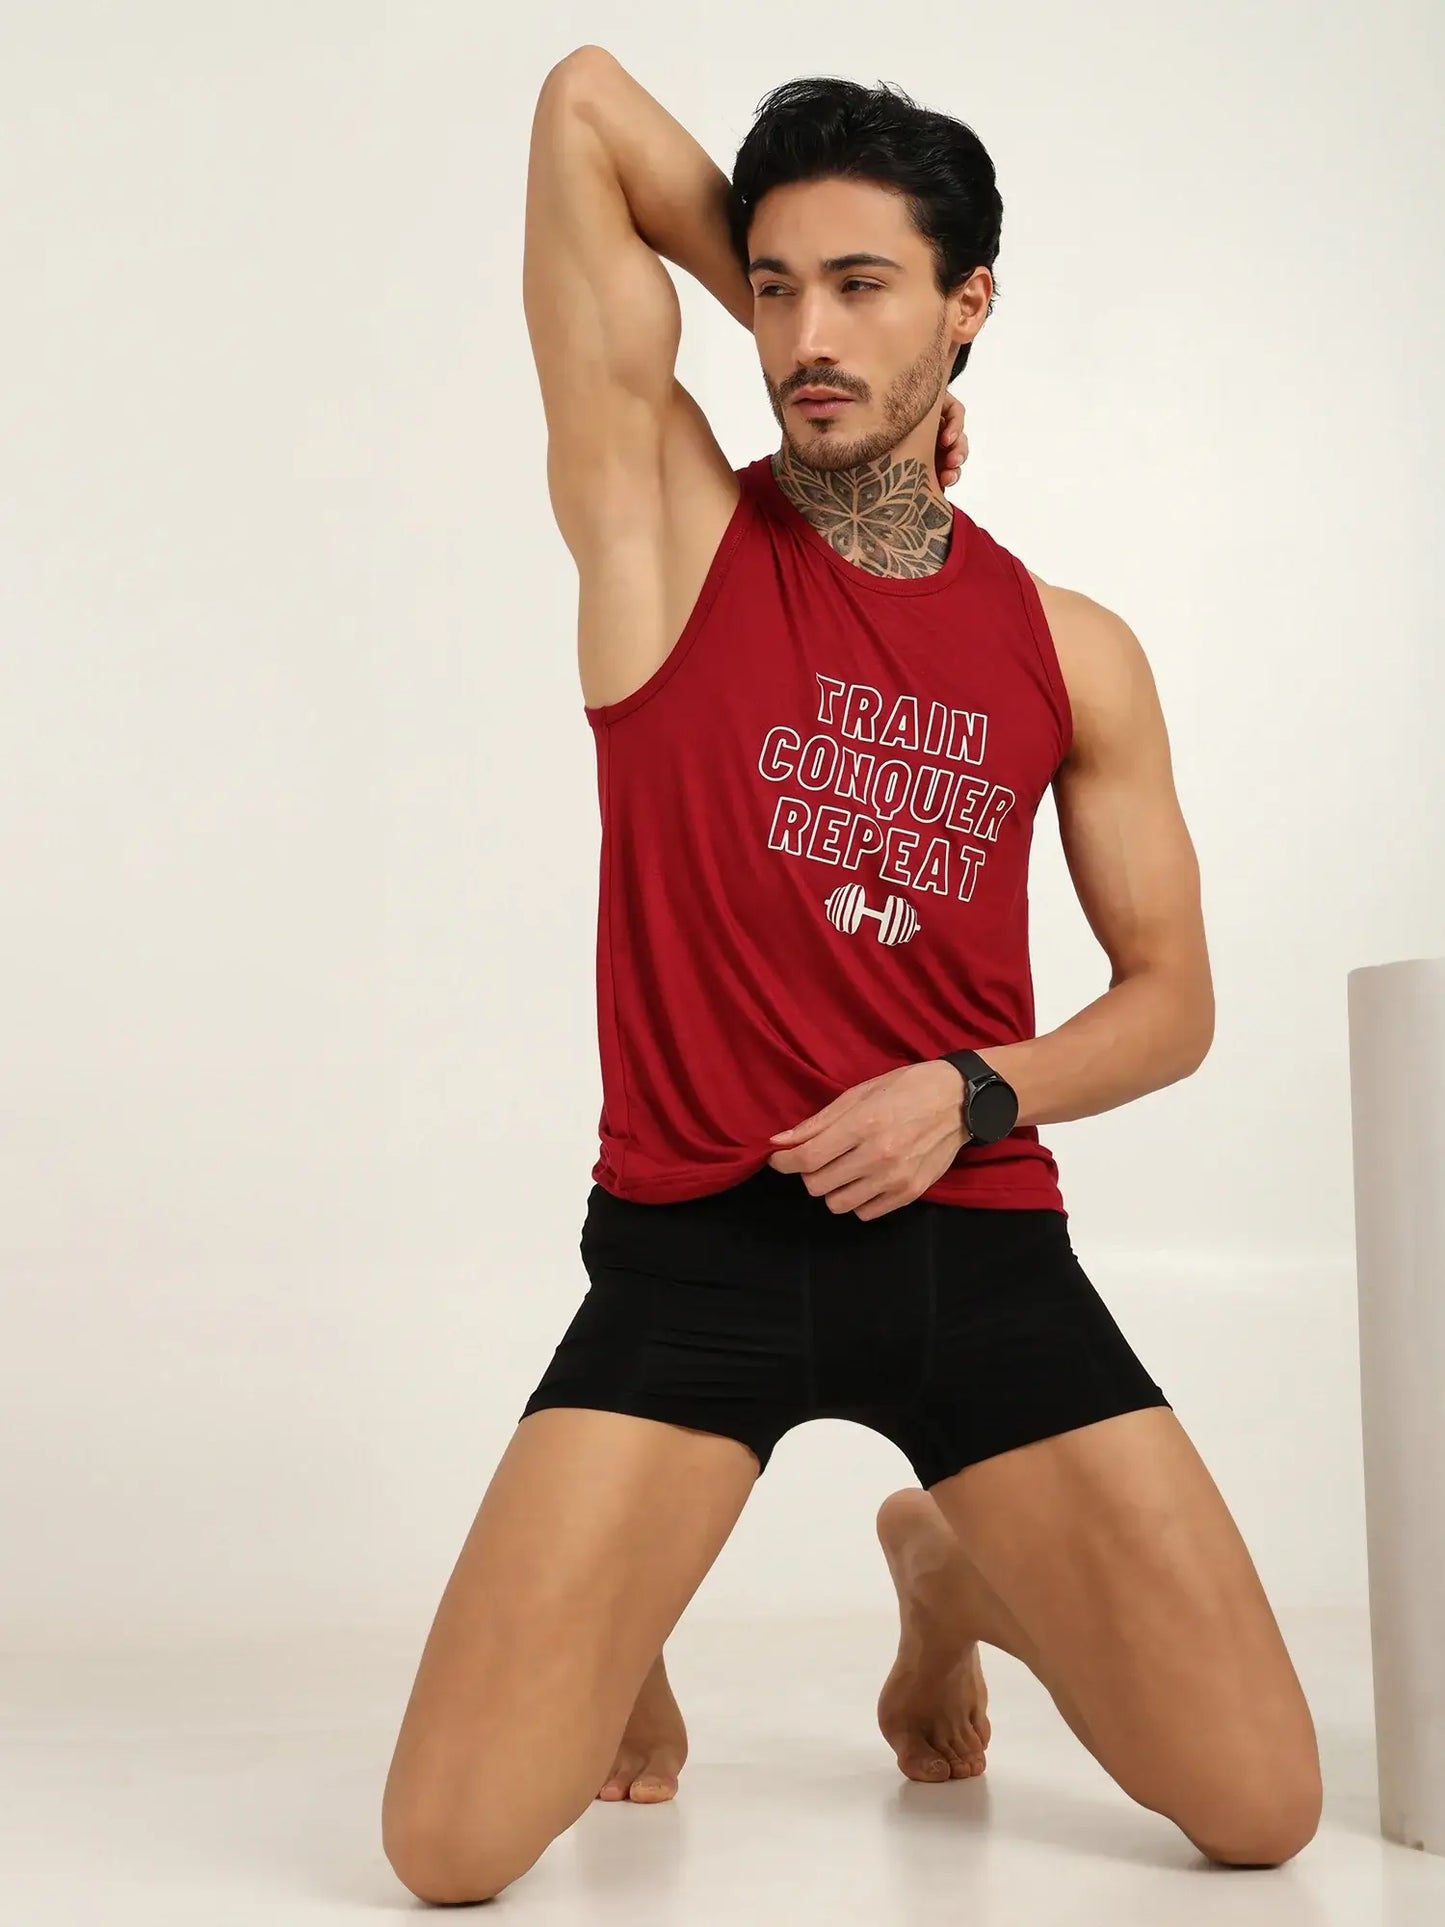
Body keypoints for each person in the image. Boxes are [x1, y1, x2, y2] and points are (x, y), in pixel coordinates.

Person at [380, 48, 1323, 1905]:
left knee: (1260, 1810)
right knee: (450, 1850)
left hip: (972, 1241)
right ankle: (625, 1612)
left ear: (972, 309)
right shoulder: (669, 535)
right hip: (697, 1251)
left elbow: (1170, 1000)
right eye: (771, 288)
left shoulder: (1071, 650)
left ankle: (951, 1561)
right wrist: (810, 273)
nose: (804, 333)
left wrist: (966, 1089)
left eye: (864, 288)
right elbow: (580, 105)